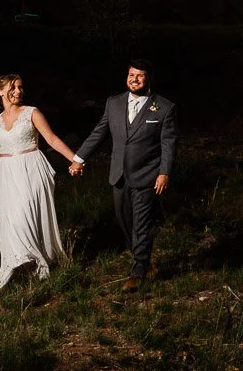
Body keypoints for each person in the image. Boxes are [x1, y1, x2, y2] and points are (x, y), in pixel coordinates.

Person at [71, 59, 178, 292]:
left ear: (148, 78)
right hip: (118, 175)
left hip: (148, 175)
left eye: (140, 76)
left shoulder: (164, 107)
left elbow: (168, 144)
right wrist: (79, 159)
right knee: (123, 219)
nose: (134, 79)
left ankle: (138, 270)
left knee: (141, 223)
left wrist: (164, 173)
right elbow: (99, 133)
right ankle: (144, 258)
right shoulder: (114, 103)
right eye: (131, 75)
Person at [0, 74, 76, 293]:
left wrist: (74, 159)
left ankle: (36, 261)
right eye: (13, 87)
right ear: (0, 92)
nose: (18, 91)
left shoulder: (31, 113)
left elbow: (51, 139)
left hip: (31, 167)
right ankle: (16, 262)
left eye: (21, 87)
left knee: (26, 214)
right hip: (6, 173)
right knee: (9, 219)